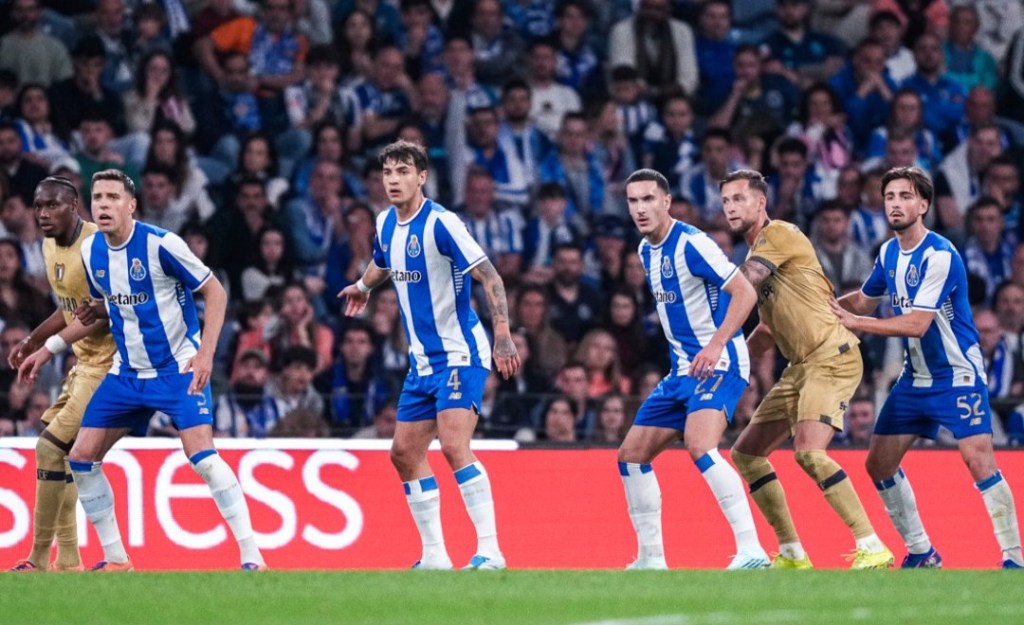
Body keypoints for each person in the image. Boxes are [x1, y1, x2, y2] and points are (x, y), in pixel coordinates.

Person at [18, 169, 266, 572]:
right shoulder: (91, 252)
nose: (104, 205)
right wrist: (49, 348)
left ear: (131, 205)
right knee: (81, 457)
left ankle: (252, 555)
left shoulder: (162, 244)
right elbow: (99, 312)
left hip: (176, 369)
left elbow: (215, 291)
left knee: (202, 457)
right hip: (127, 375)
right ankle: (117, 559)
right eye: (98, 197)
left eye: (113, 198)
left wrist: (205, 355)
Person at [338, 140, 519, 570]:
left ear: (422, 176)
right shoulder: (384, 222)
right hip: (422, 363)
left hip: (460, 353)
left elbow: (489, 274)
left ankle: (491, 550)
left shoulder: (442, 224)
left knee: (455, 445)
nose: (394, 180)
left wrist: (503, 333)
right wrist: (363, 288)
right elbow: (383, 262)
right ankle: (435, 556)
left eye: (403, 171)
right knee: (403, 453)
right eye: (388, 173)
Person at [831, 166, 1023, 569]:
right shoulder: (887, 252)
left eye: (905, 197)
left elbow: (917, 325)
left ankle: (1014, 558)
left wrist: (857, 324)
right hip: (915, 379)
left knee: (978, 459)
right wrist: (823, 305)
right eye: (889, 197)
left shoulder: (940, 255)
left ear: (923, 204)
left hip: (958, 375)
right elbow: (865, 301)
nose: (896, 204)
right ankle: (921, 551)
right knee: (878, 463)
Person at [721, 168, 893, 570]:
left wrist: (708, 303)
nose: (731, 206)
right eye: (726, 200)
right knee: (746, 454)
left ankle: (872, 545)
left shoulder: (778, 235)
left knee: (810, 453)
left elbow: (747, 283)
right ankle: (793, 553)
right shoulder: (754, 256)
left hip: (831, 355)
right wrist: (733, 367)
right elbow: (766, 328)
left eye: (740, 198)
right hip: (801, 367)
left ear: (760, 202)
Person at [616, 168, 768, 570]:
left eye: (649, 199)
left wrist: (715, 344)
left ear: (666, 202)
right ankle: (651, 559)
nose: (640, 209)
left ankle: (752, 550)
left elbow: (745, 292)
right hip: (681, 371)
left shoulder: (693, 245)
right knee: (631, 455)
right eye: (633, 201)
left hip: (719, 363)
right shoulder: (645, 251)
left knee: (700, 446)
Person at [6, 176, 116, 572]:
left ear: (74, 206)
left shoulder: (96, 248)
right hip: (84, 364)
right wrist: (34, 339)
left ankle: (38, 557)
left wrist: (50, 350)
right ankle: (68, 560)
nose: (43, 214)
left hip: (109, 365)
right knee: (63, 457)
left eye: (52, 205)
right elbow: (69, 308)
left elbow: (100, 314)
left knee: (49, 449)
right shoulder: (50, 245)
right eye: (38, 206)